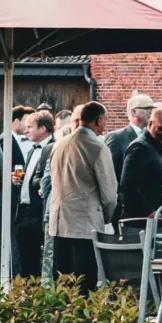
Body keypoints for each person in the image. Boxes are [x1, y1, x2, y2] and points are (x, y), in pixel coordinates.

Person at [45, 101, 119, 284]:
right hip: (85, 225)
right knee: (83, 286)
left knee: (62, 285)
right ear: (99, 120)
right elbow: (109, 195)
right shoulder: (98, 147)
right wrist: (106, 218)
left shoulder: (58, 144)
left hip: (59, 222)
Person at [9, 108, 54, 278]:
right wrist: (17, 180)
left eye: (30, 127)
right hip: (23, 212)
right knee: (24, 258)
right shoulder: (30, 150)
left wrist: (35, 183)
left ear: (42, 129)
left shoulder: (52, 148)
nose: (26, 130)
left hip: (39, 211)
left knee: (38, 259)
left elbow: (46, 180)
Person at [118, 102, 162, 227]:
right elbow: (127, 184)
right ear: (150, 124)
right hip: (139, 221)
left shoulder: (161, 144)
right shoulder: (139, 147)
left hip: (154, 219)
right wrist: (148, 211)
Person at [106, 94, 153, 174]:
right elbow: (110, 171)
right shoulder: (116, 138)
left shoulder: (154, 137)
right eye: (147, 108)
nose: (151, 112)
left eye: (153, 108)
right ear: (133, 112)